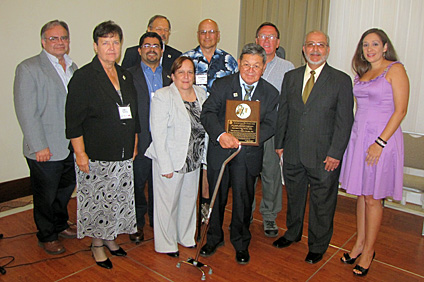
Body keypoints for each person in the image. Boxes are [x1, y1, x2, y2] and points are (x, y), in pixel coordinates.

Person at [273, 30, 354, 265]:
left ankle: (318, 245)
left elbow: (344, 121)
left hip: (324, 156)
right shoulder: (291, 77)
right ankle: (292, 233)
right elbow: (284, 113)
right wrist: (280, 144)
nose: (315, 49)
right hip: (293, 151)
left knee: (322, 203)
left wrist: (335, 153)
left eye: (321, 45)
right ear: (303, 48)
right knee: (295, 197)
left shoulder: (340, 80)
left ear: (327, 49)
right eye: (310, 44)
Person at [65, 21, 139, 269]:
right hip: (96, 153)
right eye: (105, 42)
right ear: (95, 46)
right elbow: (73, 120)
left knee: (116, 199)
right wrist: (80, 153)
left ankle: (109, 238)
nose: (111, 47)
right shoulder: (84, 77)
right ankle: (97, 244)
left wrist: (134, 142)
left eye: (115, 42)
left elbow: (134, 113)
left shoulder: (125, 75)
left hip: (123, 152)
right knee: (98, 201)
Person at [200, 43, 279, 265]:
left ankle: (241, 242)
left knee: (244, 201)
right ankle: (214, 238)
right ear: (239, 64)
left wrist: (251, 137)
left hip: (249, 156)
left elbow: (272, 124)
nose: (250, 70)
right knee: (217, 198)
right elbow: (207, 114)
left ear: (263, 67)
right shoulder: (223, 85)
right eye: (246, 64)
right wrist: (221, 135)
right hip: (220, 152)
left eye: (256, 66)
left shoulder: (270, 93)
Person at [339, 28, 409, 277]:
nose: (370, 49)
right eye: (366, 45)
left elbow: (400, 111)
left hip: (382, 140)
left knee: (372, 198)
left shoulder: (395, 69)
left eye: (375, 44)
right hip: (359, 138)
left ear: (385, 47)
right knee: (359, 194)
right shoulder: (363, 73)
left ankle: (369, 251)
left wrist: (379, 143)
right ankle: (358, 244)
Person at [13, 20, 78, 255]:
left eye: (63, 38)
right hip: (45, 147)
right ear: (43, 41)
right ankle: (47, 235)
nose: (59, 42)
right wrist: (38, 145)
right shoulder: (29, 68)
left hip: (70, 145)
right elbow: (26, 111)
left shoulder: (72, 67)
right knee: (46, 196)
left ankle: (60, 225)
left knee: (64, 190)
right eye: (53, 38)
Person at [145, 56, 207, 257]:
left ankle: (186, 237)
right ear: (172, 75)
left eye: (190, 72)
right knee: (167, 204)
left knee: (189, 201)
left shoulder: (201, 93)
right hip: (171, 159)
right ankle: (166, 244)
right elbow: (158, 133)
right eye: (181, 72)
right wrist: (165, 166)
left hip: (194, 158)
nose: (186, 76)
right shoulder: (164, 96)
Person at [182, 18, 238, 216]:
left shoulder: (229, 60)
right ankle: (189, 209)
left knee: (210, 166)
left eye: (211, 32)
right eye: (203, 32)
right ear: (198, 35)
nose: (207, 36)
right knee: (191, 165)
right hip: (192, 123)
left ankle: (207, 205)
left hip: (218, 124)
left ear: (218, 35)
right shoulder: (186, 59)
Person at [127, 32, 172, 243]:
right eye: (147, 45)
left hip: (165, 139)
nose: (151, 49)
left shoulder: (171, 75)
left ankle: (158, 220)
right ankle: (137, 223)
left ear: (162, 51)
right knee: (137, 182)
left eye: (156, 45)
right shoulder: (127, 75)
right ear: (139, 50)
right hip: (141, 137)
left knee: (161, 182)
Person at [253, 22, 294, 237]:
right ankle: (245, 214)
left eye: (271, 37)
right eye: (262, 36)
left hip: (272, 131)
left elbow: (289, 104)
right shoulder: (248, 63)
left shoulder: (287, 68)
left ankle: (269, 217)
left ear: (277, 42)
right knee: (247, 174)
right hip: (247, 129)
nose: (267, 41)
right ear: (256, 40)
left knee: (271, 175)